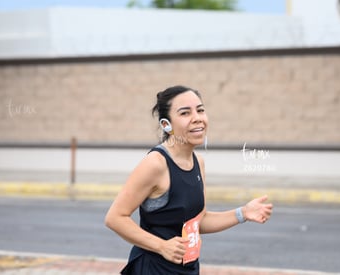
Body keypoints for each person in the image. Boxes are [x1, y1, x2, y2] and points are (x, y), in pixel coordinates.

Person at [105, 85, 273, 275]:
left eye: (200, 110)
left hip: (187, 269)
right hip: (153, 269)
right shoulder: (156, 164)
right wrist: (161, 246)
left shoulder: (198, 162)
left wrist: (243, 213)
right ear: (166, 124)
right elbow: (115, 218)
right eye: (185, 113)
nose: (197, 118)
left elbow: (199, 221)